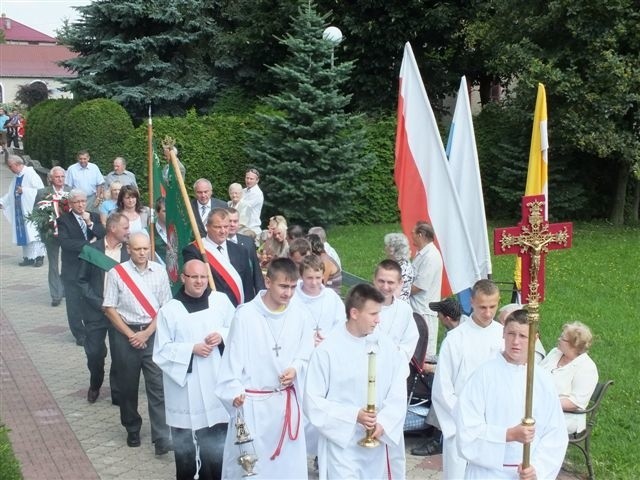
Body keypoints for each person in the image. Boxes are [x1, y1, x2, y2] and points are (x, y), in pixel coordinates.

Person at [215, 258, 314, 479]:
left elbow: (307, 355)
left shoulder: (300, 315)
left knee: (285, 470)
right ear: (268, 282)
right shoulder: (246, 316)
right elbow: (231, 362)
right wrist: (234, 393)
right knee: (253, 470)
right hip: (253, 407)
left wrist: (297, 368)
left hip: (285, 405)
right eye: (283, 286)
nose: (288, 293)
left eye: (292, 287)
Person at [303, 284, 408, 479]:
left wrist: (384, 422)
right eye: (373, 314)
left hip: (378, 441)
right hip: (343, 448)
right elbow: (313, 402)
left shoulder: (385, 346)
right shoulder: (328, 350)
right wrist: (354, 415)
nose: (378, 320)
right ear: (354, 313)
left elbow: (398, 388)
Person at [455, 310, 568, 479]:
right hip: (487, 472)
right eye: (511, 334)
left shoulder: (543, 380)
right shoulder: (483, 375)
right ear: (503, 333)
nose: (516, 342)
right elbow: (467, 428)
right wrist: (508, 434)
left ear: (535, 339)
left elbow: (555, 433)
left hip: (525, 472)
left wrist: (537, 469)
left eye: (523, 336)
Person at [153, 259, 236, 480]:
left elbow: (237, 330)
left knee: (216, 449)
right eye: (194, 277)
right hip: (185, 391)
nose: (199, 282)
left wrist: (222, 335)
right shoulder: (170, 310)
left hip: (215, 387)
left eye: (203, 277)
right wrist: (191, 349)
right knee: (187, 451)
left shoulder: (221, 301)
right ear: (183, 278)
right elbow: (160, 351)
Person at [103, 232, 173, 454]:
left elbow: (165, 307)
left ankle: (161, 436)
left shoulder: (160, 271)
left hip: (152, 334)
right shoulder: (116, 273)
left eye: (145, 248)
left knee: (157, 387)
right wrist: (130, 334)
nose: (142, 253)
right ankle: (132, 428)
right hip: (126, 334)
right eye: (137, 249)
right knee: (128, 386)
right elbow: (109, 308)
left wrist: (146, 333)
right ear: (129, 249)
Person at [431, 279, 504, 479]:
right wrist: (467, 417)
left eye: (492, 306)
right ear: (471, 302)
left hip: (494, 425)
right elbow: (443, 389)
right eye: (482, 307)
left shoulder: (503, 336)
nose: (488, 313)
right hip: (462, 424)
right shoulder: (455, 339)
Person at [77, 212, 130, 404]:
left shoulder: (130, 252)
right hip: (96, 311)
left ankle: (116, 393)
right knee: (95, 353)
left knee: (120, 354)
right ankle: (95, 382)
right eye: (125, 228)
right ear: (112, 228)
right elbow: (81, 282)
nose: (128, 232)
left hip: (121, 312)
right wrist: (99, 303)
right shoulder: (91, 250)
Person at [373, 260, 419, 478]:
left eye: (390, 282)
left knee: (391, 438)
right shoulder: (366, 306)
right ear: (374, 280)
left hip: (393, 382)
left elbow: (409, 344)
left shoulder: (404, 311)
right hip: (368, 380)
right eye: (381, 280)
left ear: (400, 283)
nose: (385, 286)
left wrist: (390, 358)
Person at [410, 297, 463, 457]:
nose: (438, 318)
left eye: (439, 315)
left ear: (447, 318)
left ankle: (437, 439)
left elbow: (452, 367)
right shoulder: (453, 332)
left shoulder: (459, 336)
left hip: (458, 384)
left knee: (438, 391)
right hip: (453, 377)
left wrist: (430, 368)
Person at [57, 189, 106, 346]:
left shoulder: (94, 216)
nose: (81, 204)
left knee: (90, 298)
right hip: (73, 267)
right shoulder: (64, 220)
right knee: (74, 302)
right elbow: (65, 243)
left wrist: (90, 223)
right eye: (77, 202)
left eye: (83, 201)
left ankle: (93, 329)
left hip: (92, 267)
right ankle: (79, 333)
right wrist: (88, 245)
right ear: (71, 204)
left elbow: (103, 235)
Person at [182, 208, 260, 307]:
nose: (223, 231)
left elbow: (247, 287)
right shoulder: (194, 251)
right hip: (210, 309)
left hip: (238, 309)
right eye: (218, 227)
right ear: (207, 227)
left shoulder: (241, 251)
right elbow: (193, 285)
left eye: (226, 227)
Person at [539, 321, 599, 434]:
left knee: (526, 422)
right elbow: (537, 374)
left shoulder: (586, 368)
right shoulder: (555, 353)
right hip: (540, 407)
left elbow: (575, 403)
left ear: (573, 345)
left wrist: (543, 402)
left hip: (565, 416)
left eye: (562, 338)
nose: (558, 339)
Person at [34, 166, 71, 305]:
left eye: (62, 177)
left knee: (67, 263)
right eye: (57, 177)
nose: (60, 179)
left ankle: (65, 289)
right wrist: (45, 226)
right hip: (51, 233)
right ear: (51, 178)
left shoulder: (70, 191)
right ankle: (56, 294)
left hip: (67, 234)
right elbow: (36, 212)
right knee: (53, 264)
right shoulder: (43, 192)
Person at [0, 155, 46, 267]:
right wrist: (2, 202)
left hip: (31, 211)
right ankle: (28, 257)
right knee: (25, 234)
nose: (10, 169)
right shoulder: (17, 177)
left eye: (11, 166)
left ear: (18, 164)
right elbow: (11, 193)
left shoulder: (31, 174)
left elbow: (41, 191)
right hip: (20, 211)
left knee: (35, 234)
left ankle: (39, 257)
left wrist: (24, 190)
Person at [409, 221, 443, 359]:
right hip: (417, 309)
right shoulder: (423, 254)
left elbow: (419, 286)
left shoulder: (431, 257)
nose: (411, 236)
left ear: (421, 235)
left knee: (424, 354)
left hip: (424, 311)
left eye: (413, 233)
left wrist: (400, 291)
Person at [295, 255, 345, 346]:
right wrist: (308, 341)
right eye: (309, 278)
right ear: (301, 276)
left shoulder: (331, 297)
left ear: (323, 276)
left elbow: (342, 323)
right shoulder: (294, 297)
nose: (314, 283)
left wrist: (328, 340)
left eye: (318, 278)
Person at [226, 206, 264, 293]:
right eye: (229, 221)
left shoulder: (248, 242)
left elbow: (256, 271)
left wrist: (260, 293)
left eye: (235, 221)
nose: (232, 224)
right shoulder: (218, 243)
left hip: (246, 291)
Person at [384, 232, 414, 302]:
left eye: (387, 245)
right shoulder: (403, 263)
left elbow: (390, 291)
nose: (385, 248)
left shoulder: (400, 268)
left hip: (396, 305)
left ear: (392, 250)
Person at [242, 167, 264, 237]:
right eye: (247, 178)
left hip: (252, 229)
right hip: (243, 228)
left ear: (257, 180)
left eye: (251, 179)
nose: (248, 180)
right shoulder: (244, 190)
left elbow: (244, 206)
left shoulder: (257, 193)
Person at [153, 197, 168, 263]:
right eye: (165, 211)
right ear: (157, 212)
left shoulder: (179, 230)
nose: (169, 213)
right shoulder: (148, 232)